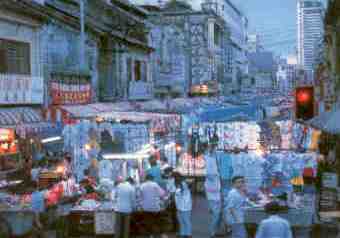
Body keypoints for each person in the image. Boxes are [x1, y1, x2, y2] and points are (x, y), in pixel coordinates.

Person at [174, 172, 192, 238]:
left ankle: (189, 235)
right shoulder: (180, 183)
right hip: (180, 206)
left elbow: (178, 192)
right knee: (181, 221)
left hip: (185, 207)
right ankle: (183, 234)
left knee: (186, 221)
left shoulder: (183, 184)